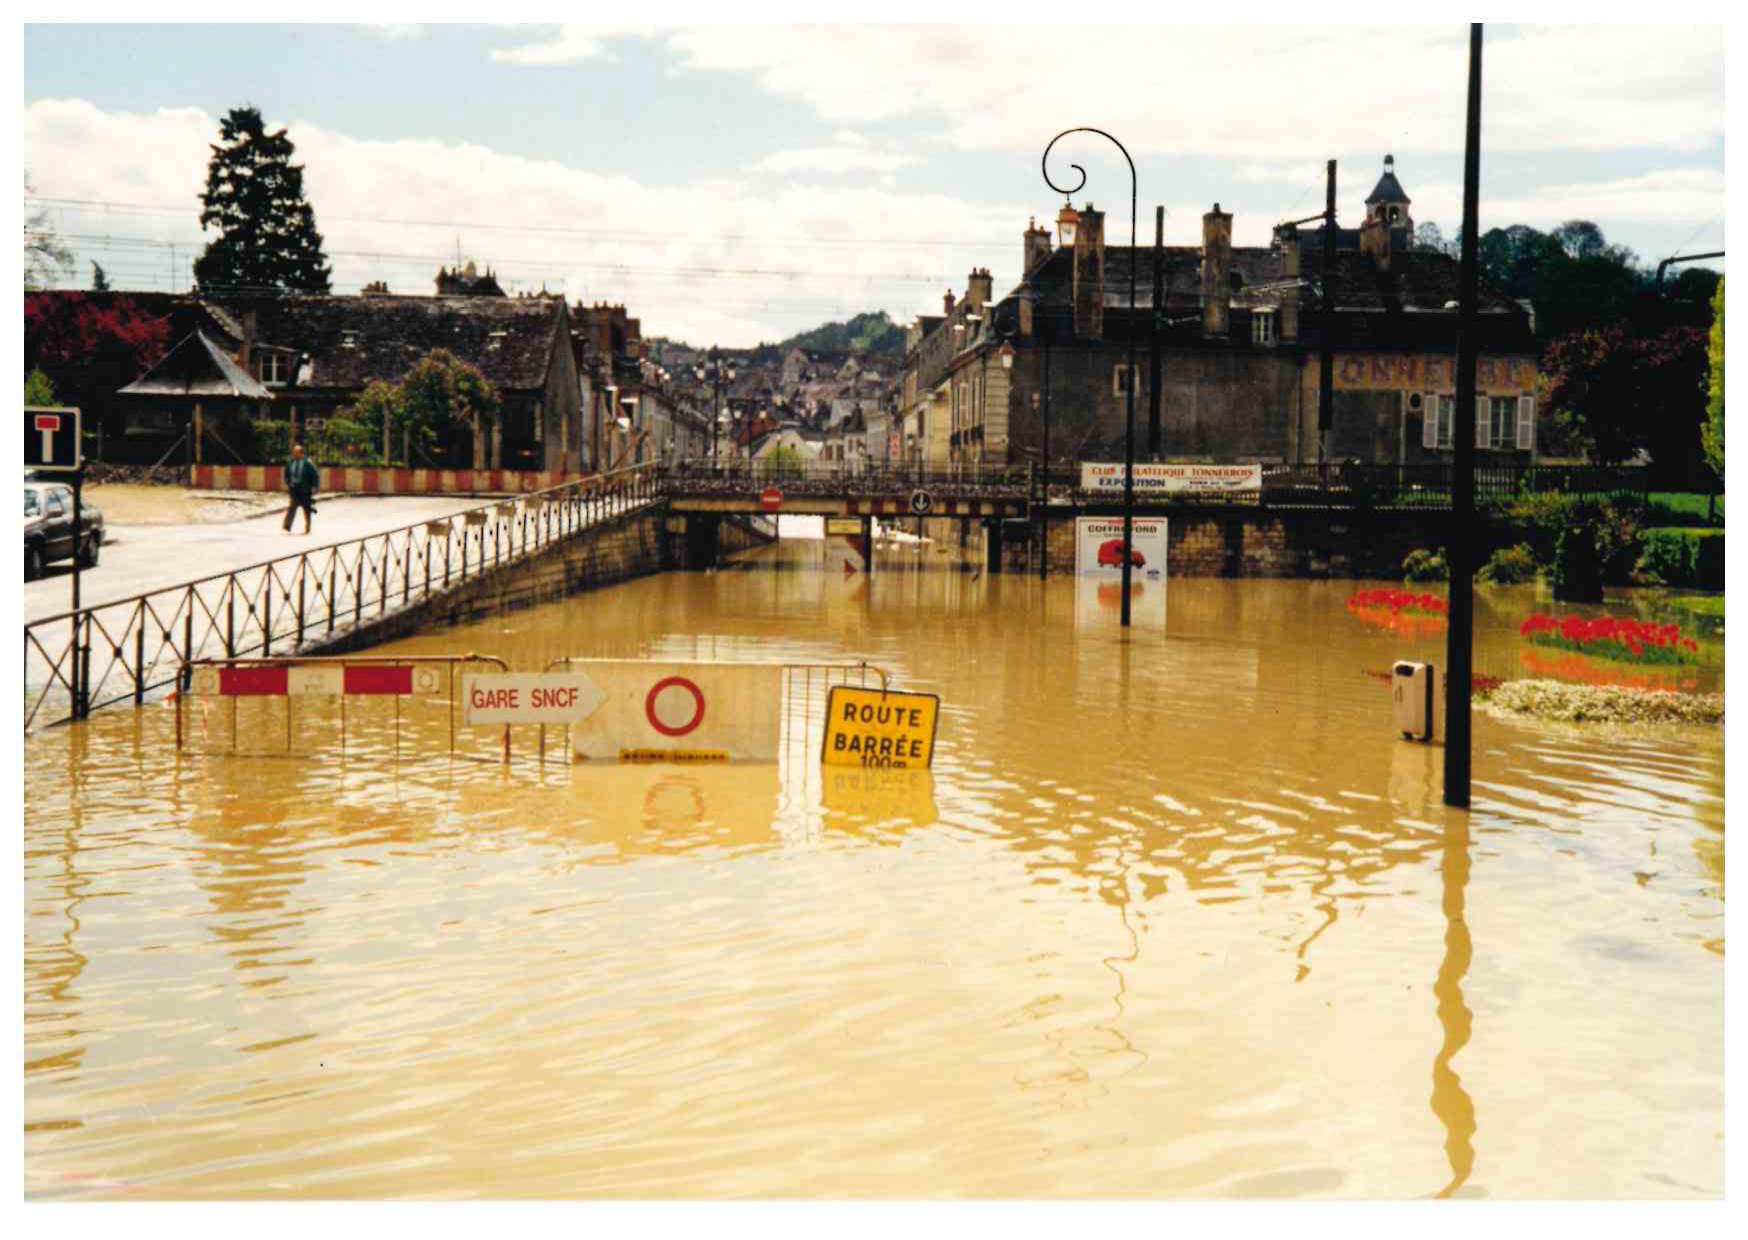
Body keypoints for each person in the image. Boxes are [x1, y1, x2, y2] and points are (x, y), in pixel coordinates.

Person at [282, 443, 320, 534]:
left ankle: (308, 527)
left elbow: (315, 475)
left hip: (305, 489)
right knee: (292, 507)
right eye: (293, 452)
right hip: (295, 488)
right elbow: (287, 473)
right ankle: (287, 526)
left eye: (296, 452)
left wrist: (315, 486)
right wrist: (289, 482)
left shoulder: (308, 463)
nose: (294, 454)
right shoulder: (291, 462)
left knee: (306, 509)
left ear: (301, 453)